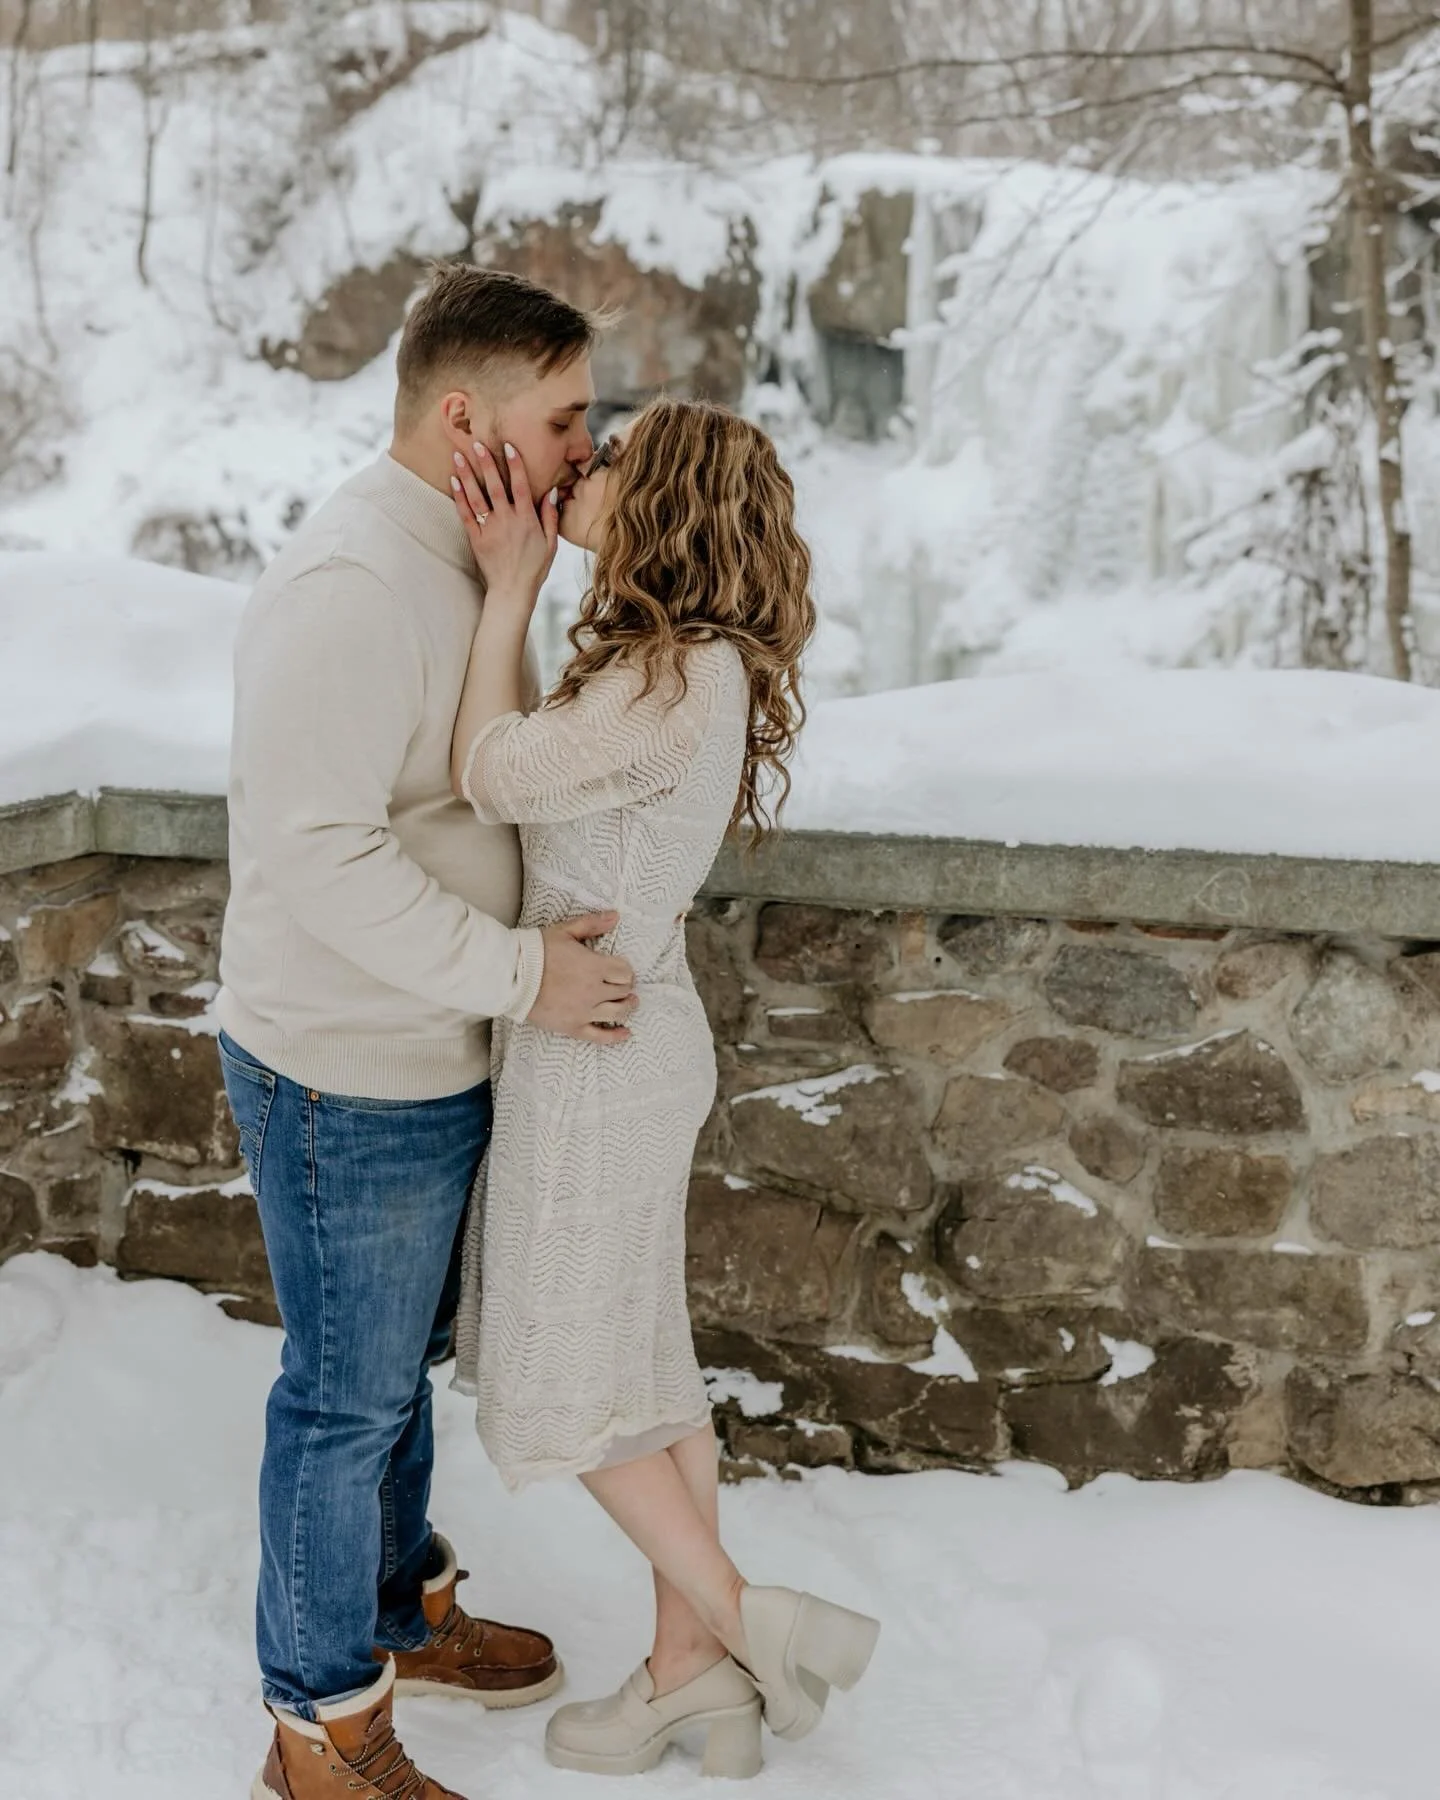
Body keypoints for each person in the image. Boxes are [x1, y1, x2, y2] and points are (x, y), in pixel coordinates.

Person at [217, 263, 641, 1800]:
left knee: (393, 1379)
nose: (588, 450)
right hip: (350, 1072)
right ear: (465, 417)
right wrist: (527, 977)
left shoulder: (471, 553)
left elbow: (480, 774)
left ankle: (398, 1609)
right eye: (567, 419)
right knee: (345, 1402)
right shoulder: (352, 586)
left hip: (431, 1050)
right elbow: (320, 857)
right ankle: (320, 1727)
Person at [445, 396, 881, 1782]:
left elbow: (488, 769)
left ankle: (753, 1623)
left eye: (617, 457)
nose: (590, 463)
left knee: (561, 1375)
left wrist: (511, 584)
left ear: (669, 501)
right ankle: (692, 1688)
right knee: (644, 1370)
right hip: (636, 1037)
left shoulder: (666, 680)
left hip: (598, 1059)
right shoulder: (694, 669)